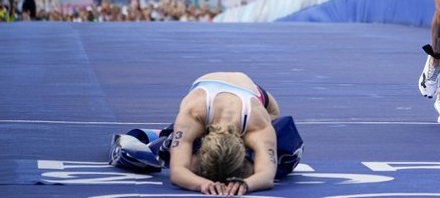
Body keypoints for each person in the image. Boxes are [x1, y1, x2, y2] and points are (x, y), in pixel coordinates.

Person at [109, 71, 303, 195]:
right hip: (209, 95)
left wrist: (245, 184)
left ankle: (169, 139)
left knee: (276, 142)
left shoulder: (258, 124)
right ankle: (165, 135)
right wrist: (203, 184)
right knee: (183, 155)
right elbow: (177, 173)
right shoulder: (193, 115)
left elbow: (266, 176)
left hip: (257, 97)